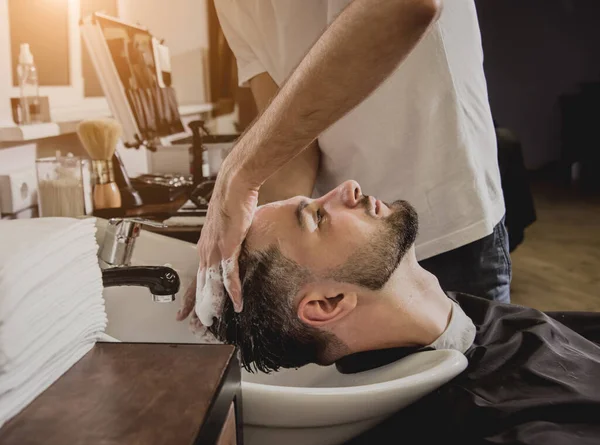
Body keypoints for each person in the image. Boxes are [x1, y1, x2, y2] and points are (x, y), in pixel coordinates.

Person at [179, 180, 600, 445]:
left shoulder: (475, 328)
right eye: (318, 217)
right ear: (329, 303)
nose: (347, 187)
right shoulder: (503, 431)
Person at [190, 0, 510, 324]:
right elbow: (291, 149)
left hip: (449, 219)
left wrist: (239, 172)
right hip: (347, 263)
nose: (351, 188)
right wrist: (239, 279)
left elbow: (409, 6)